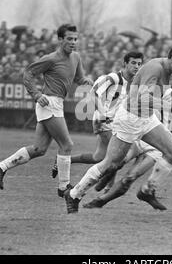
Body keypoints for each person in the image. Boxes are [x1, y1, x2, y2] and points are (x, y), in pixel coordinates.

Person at [64, 43, 172, 213]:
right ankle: (74, 194)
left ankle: (147, 191)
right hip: (129, 120)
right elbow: (142, 99)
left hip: (146, 118)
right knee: (109, 163)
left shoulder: (166, 70)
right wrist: (171, 106)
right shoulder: (155, 68)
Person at [0, 24, 93, 197]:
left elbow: (78, 78)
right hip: (49, 103)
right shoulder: (51, 58)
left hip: (56, 104)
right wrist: (36, 94)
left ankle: (1, 167)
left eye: (75, 39)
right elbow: (28, 73)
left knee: (39, 149)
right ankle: (64, 187)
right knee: (67, 145)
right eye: (69, 38)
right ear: (60, 40)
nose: (73, 42)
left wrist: (86, 81)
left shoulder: (76, 57)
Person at [83, 88, 172, 210]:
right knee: (115, 163)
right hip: (141, 135)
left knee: (129, 178)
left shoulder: (171, 92)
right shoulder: (145, 89)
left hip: (156, 146)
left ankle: (99, 202)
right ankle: (105, 178)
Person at [50, 51, 143, 189]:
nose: (136, 66)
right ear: (125, 63)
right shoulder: (113, 78)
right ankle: (106, 187)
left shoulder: (131, 83)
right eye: (133, 63)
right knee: (122, 153)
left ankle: (63, 160)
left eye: (139, 64)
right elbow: (93, 93)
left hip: (114, 123)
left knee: (98, 157)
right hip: (104, 122)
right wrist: (102, 114)